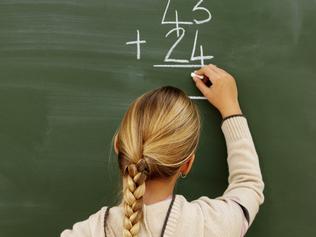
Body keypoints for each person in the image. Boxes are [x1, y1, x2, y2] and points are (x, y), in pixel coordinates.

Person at [60, 64, 264, 237]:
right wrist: (230, 108)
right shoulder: (210, 225)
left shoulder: (87, 232)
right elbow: (248, 186)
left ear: (118, 147)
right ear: (187, 164)